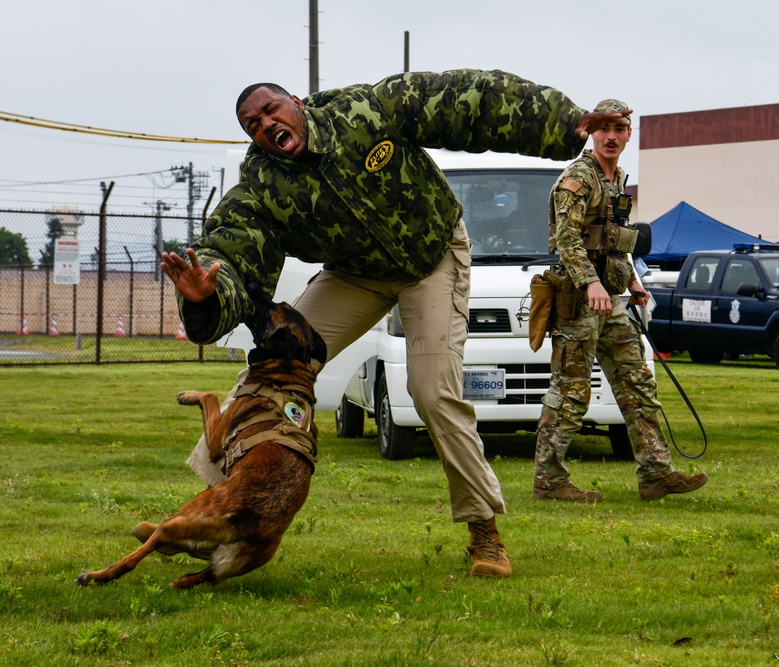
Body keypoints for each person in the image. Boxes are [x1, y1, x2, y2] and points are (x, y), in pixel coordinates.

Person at [160, 70, 630, 579]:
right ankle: (216, 511)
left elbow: (469, 100)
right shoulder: (262, 183)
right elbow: (230, 246)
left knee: (431, 392)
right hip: (356, 276)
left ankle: (483, 532)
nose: (266, 124)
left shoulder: (364, 110)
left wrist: (560, 122)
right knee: (265, 376)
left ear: (296, 102)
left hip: (431, 259)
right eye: (253, 124)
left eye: (272, 110)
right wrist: (209, 294)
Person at [532, 99, 709, 503]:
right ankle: (549, 481)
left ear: (629, 134)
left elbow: (614, 241)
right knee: (571, 393)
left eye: (619, 129)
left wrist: (632, 281)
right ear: (591, 132)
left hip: (610, 300)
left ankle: (656, 474)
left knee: (638, 384)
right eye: (603, 128)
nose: (611, 137)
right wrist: (591, 283)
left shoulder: (617, 179)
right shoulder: (578, 177)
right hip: (578, 300)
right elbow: (568, 240)